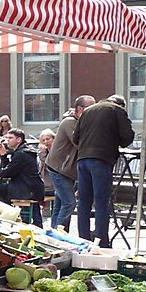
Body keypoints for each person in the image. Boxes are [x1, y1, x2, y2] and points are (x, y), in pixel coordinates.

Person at [74, 94, 134, 248]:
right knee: (101, 202)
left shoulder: (88, 111)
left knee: (84, 202)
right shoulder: (117, 110)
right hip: (101, 160)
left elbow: (75, 138)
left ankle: (83, 240)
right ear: (121, 105)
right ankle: (101, 241)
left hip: (82, 160)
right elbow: (127, 137)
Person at [47, 96, 93, 232]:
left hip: (66, 170)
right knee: (69, 203)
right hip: (59, 168)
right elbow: (80, 142)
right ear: (80, 109)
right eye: (91, 108)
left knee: (60, 203)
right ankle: (58, 233)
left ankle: (53, 232)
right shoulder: (70, 122)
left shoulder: (79, 122)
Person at [0, 129, 45, 227]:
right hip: (33, 187)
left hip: (26, 189)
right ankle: (29, 220)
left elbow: (7, 173)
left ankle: (9, 217)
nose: (7, 140)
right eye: (6, 138)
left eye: (10, 138)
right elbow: (10, 169)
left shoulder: (21, 154)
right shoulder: (24, 151)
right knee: (1, 189)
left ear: (19, 139)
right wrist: (3, 154)